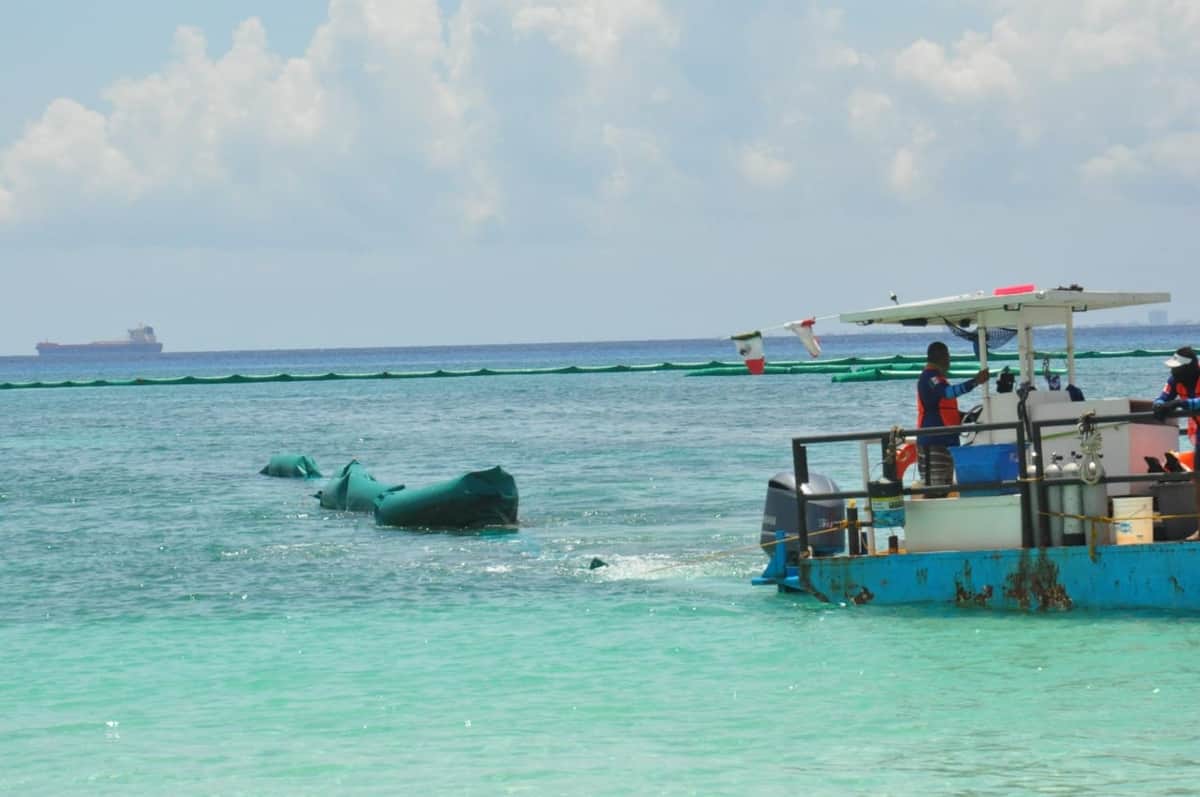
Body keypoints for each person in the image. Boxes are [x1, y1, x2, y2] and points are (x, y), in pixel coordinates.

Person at [916, 341, 989, 491]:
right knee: (935, 490)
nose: (949, 361)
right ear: (941, 357)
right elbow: (948, 392)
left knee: (946, 487)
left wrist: (971, 417)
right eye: (948, 356)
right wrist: (975, 382)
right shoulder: (930, 378)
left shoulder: (937, 379)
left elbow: (945, 410)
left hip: (947, 443)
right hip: (934, 442)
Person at [1153, 346, 1200, 538]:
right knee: (1198, 480)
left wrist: (1182, 403)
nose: (1173, 371)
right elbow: (1162, 397)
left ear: (1191, 368)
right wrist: (1159, 406)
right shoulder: (1175, 381)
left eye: (1177, 368)